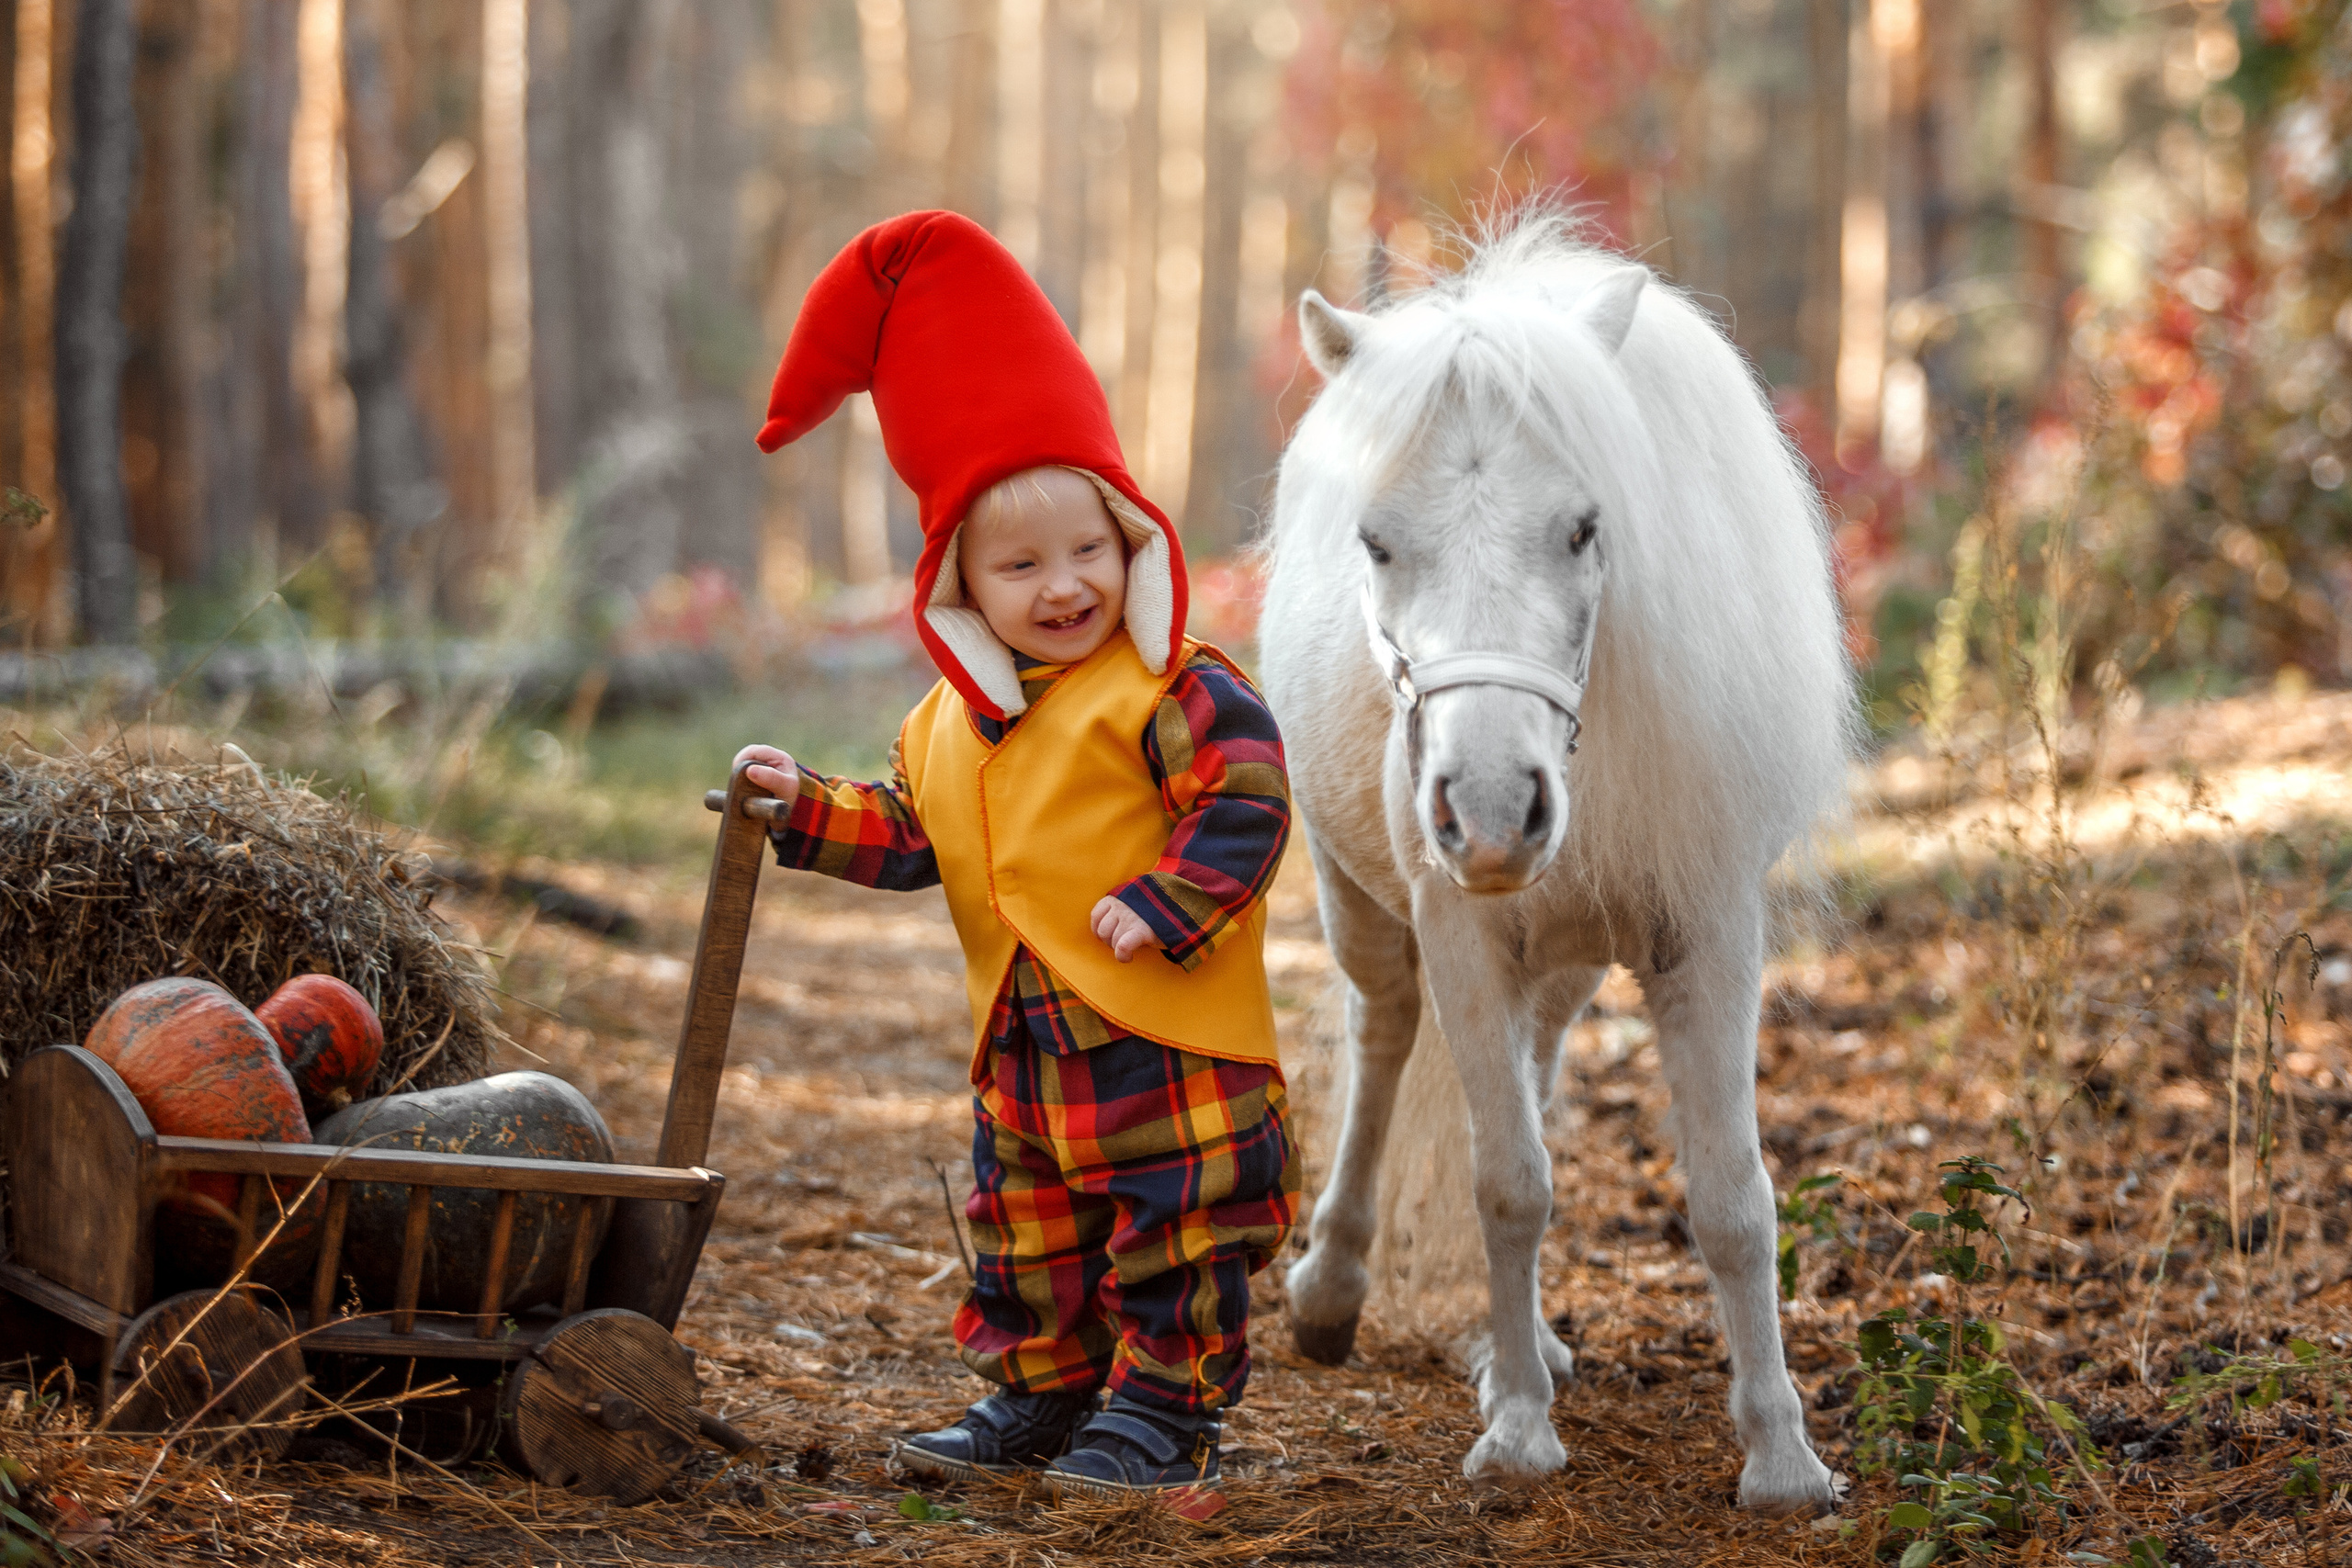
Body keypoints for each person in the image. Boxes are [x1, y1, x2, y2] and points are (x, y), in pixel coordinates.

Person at [737, 210, 1297, 1496]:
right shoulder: (944, 725)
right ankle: (1045, 1393)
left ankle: (1161, 1414)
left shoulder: (1172, 687)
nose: (1063, 586)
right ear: (961, 585)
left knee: (1176, 1230)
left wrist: (1173, 901)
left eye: (1089, 550)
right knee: (1028, 1237)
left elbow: (1249, 797)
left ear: (1131, 539)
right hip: (1028, 1055)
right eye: (1022, 564)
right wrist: (803, 811)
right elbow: (913, 835)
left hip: (1168, 1042)